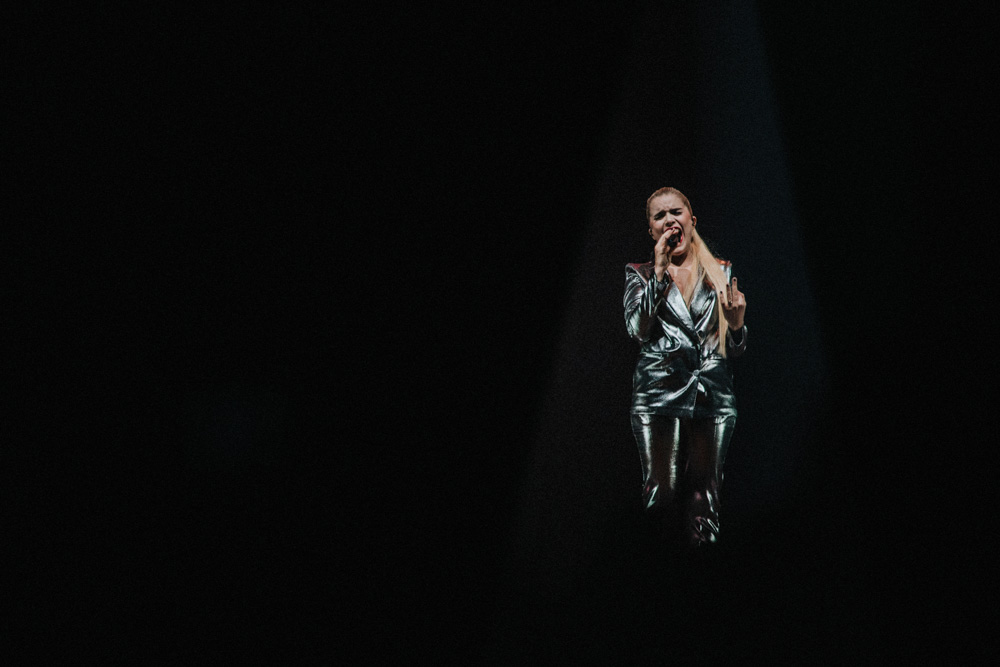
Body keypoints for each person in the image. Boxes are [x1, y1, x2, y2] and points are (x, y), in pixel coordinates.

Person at [624, 187, 747, 547]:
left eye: (675, 212)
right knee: (660, 495)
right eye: (659, 217)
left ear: (691, 220)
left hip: (712, 394)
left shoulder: (720, 271)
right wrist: (660, 274)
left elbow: (734, 348)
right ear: (651, 230)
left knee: (704, 500)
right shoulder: (640, 273)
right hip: (658, 393)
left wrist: (737, 326)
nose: (669, 221)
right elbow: (637, 329)